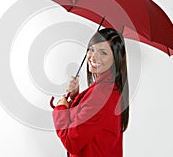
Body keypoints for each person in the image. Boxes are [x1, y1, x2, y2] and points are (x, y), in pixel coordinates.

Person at [52, 28, 129, 157]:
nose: (93, 57)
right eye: (91, 49)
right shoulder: (106, 88)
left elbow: (71, 142)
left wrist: (61, 108)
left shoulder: (101, 95)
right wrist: (75, 98)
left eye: (103, 53)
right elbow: (89, 127)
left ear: (115, 59)